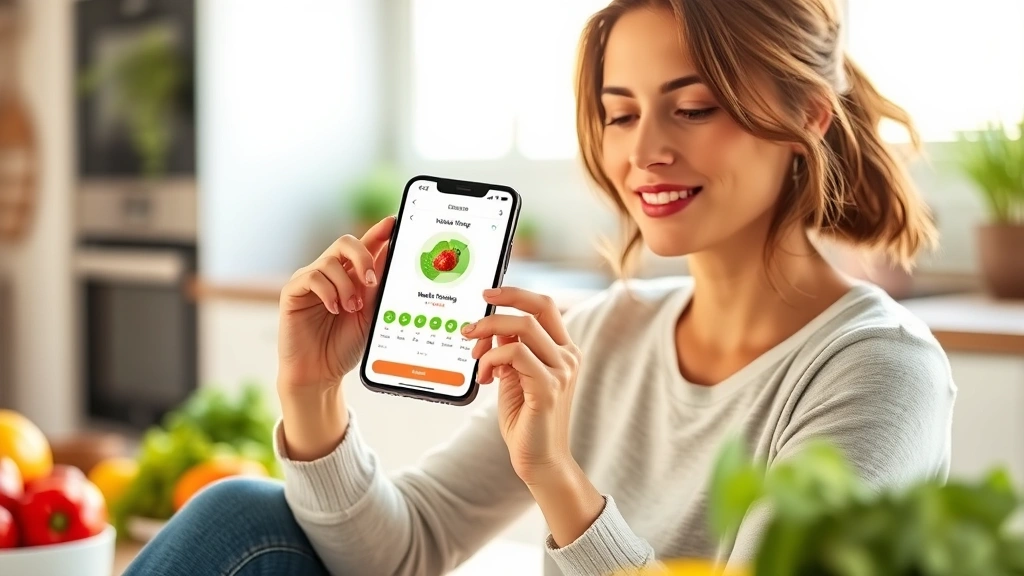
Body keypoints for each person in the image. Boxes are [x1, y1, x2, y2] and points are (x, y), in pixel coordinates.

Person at [125, 0, 956, 574]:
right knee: (242, 516)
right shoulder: (604, 334)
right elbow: (404, 552)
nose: (644, 152)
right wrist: (312, 401)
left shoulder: (878, 371)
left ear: (809, 116)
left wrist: (556, 477)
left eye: (693, 108)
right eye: (621, 113)